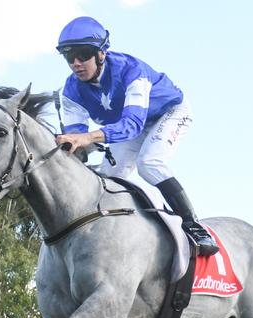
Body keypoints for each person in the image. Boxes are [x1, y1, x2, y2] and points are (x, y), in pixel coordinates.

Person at [54, 16, 218, 256]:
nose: (76, 63)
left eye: (83, 54)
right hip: (132, 126)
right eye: (69, 57)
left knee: (149, 162)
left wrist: (86, 139)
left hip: (169, 113)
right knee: (106, 179)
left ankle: (194, 226)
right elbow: (78, 139)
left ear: (101, 53)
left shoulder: (132, 71)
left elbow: (130, 125)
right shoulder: (70, 91)